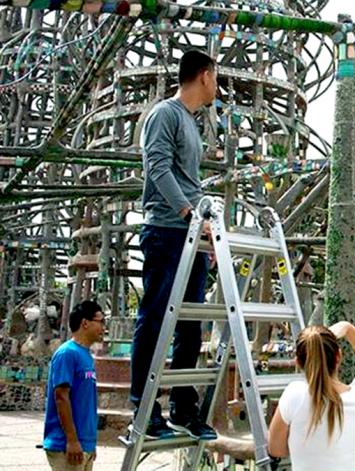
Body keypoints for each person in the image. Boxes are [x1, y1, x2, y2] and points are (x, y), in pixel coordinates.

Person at [130, 49, 218, 441]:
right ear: (204, 75)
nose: (217, 87)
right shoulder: (164, 114)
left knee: (190, 323)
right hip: (166, 231)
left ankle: (184, 407)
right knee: (153, 319)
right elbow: (158, 168)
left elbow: (188, 180)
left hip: (192, 233)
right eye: (216, 78)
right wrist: (187, 214)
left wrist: (205, 229)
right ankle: (143, 410)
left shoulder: (191, 123)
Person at [267, 322, 355, 470]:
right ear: (338, 356)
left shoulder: (294, 395)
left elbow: (276, 450)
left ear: (298, 362)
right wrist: (347, 328)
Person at [43, 300, 105, 470]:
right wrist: (72, 440)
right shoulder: (67, 354)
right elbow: (61, 397)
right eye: (101, 321)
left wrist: (89, 444)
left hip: (83, 444)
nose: (104, 327)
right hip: (66, 445)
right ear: (85, 323)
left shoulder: (86, 355)